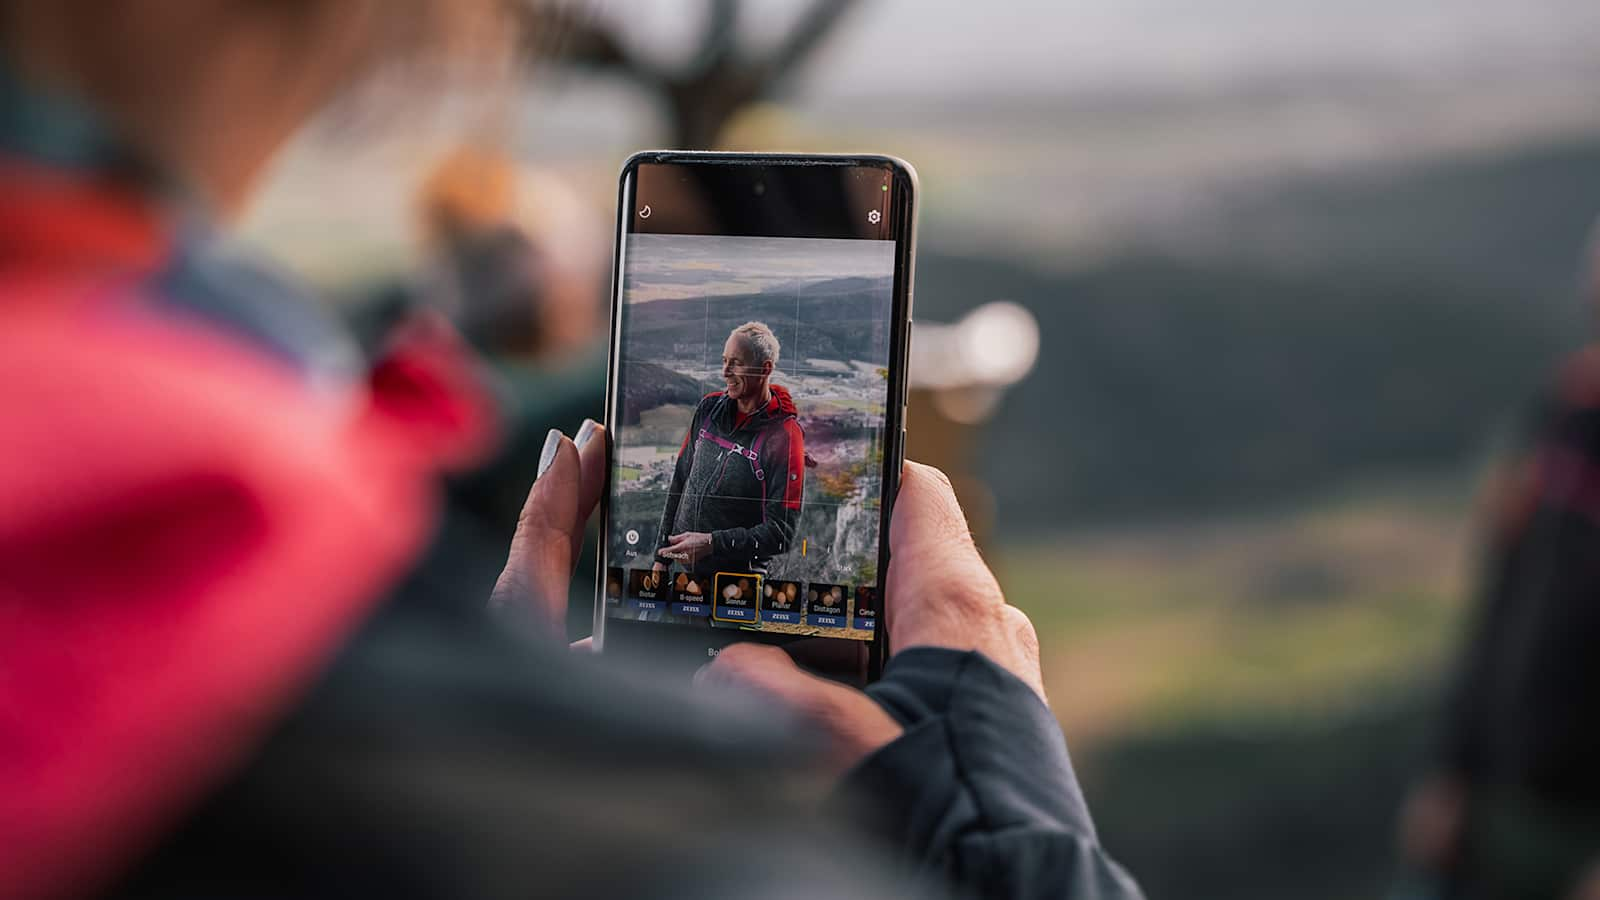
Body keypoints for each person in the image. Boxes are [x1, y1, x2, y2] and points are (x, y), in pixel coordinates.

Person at [0, 3, 1142, 899]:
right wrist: (1010, 853)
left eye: (744, 371)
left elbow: (778, 523)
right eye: (729, 370)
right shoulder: (636, 848)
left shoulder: (773, 434)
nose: (733, 383)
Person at [653, 321, 806, 577]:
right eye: (724, 360)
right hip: (683, 573)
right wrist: (661, 556)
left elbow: (781, 533)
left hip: (736, 584)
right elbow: (680, 480)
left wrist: (711, 543)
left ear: (765, 368)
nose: (725, 371)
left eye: (736, 362)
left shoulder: (785, 437)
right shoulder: (708, 409)